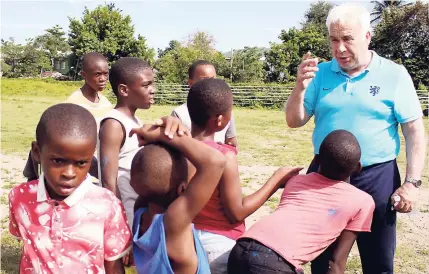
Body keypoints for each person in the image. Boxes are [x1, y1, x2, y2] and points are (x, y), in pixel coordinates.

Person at [284, 3, 426, 274]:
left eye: (347, 39)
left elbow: (414, 130)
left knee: (378, 260)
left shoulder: (394, 75)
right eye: (334, 40)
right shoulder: (321, 73)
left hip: (377, 176)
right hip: (324, 177)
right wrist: (299, 88)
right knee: (325, 260)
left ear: (367, 36)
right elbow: (295, 120)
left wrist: (411, 183)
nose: (339, 49)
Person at [187, 78, 302, 273]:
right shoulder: (223, 156)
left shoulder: (178, 149)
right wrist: (276, 180)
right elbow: (236, 212)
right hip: (218, 246)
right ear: (220, 119)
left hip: (185, 240)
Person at [227, 130, 375, 274]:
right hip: (275, 263)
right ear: (358, 168)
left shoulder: (296, 181)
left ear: (316, 160)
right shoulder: (362, 202)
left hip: (241, 249)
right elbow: (335, 263)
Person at [8, 103, 131, 274]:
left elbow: (113, 266)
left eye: (81, 163)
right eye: (58, 161)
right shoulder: (19, 197)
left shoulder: (108, 205)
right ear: (37, 151)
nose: (69, 173)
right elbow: (27, 248)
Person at [129, 118, 226, 274]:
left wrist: (172, 134)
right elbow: (215, 161)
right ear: (182, 188)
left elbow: (153, 167)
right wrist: (161, 134)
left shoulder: (140, 211)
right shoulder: (174, 223)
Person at [23, 52, 112, 182]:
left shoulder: (106, 104)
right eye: (97, 74)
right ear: (84, 75)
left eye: (105, 74)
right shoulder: (73, 104)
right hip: (80, 167)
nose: (103, 79)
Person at [98, 57, 155, 228]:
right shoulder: (114, 124)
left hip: (136, 211)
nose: (152, 90)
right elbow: (109, 181)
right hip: (124, 215)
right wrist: (118, 224)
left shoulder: (134, 120)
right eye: (146, 85)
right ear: (124, 90)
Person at [171, 60, 238, 147]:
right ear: (191, 83)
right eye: (204, 80)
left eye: (213, 79)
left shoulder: (224, 110)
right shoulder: (179, 113)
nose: (211, 84)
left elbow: (231, 140)